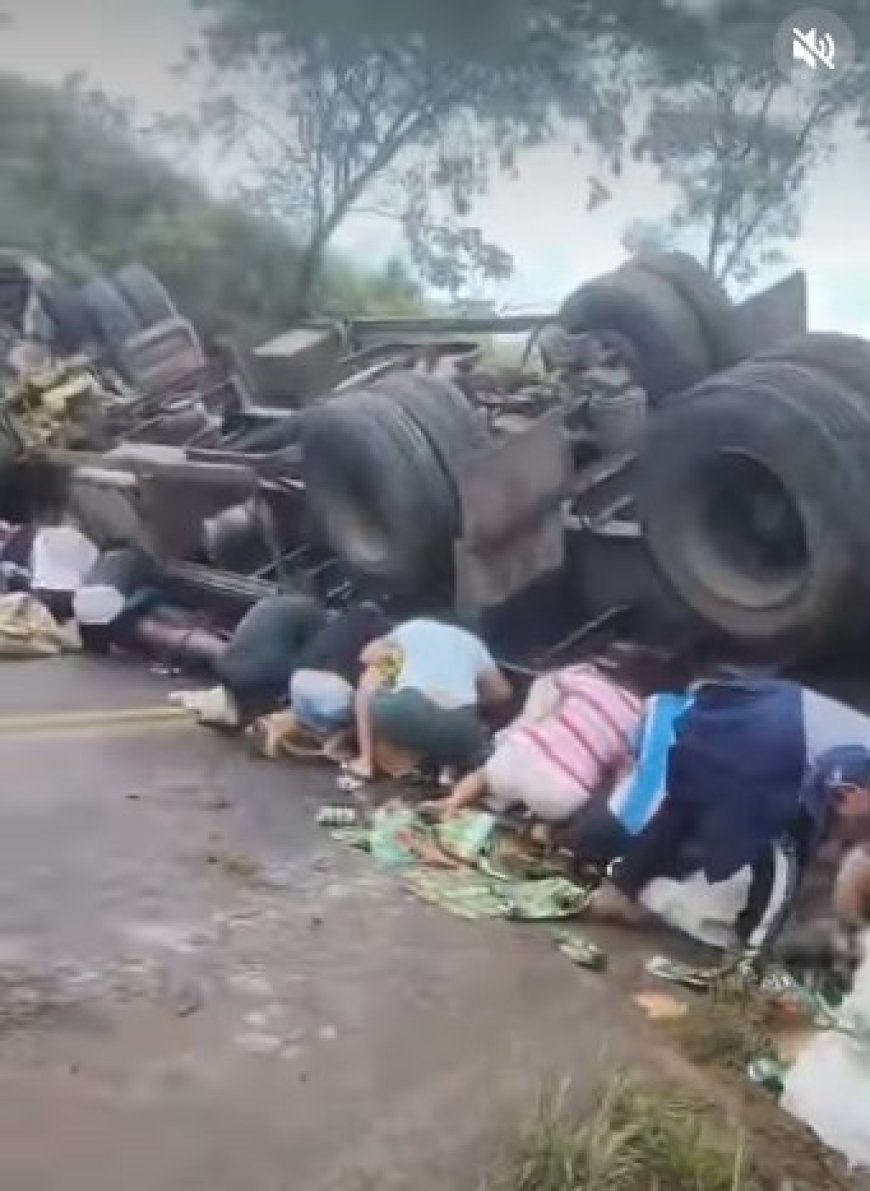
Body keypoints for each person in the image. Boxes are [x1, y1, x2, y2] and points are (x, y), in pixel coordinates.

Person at [582, 676, 870, 953]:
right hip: (783, 737)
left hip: (748, 710)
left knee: (683, 808)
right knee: (785, 851)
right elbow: (842, 769)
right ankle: (754, 952)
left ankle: (620, 890)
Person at [424, 656, 646, 825]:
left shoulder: (588, 679)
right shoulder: (641, 716)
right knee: (569, 804)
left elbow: (549, 679)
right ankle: (538, 833)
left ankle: (452, 803)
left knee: (485, 775)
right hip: (563, 790)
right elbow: (620, 773)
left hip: (521, 755)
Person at [344, 616, 512, 783]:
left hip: (407, 709)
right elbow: (502, 693)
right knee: (463, 709)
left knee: (372, 674)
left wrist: (395, 669)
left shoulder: (415, 626)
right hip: (460, 728)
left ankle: (365, 762)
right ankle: (447, 770)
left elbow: (367, 655)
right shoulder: (474, 643)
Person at [250, 601, 391, 758]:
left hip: (299, 679)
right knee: (362, 707)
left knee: (309, 717)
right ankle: (334, 743)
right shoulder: (382, 632)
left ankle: (277, 722)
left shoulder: (339, 624)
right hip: (333, 690)